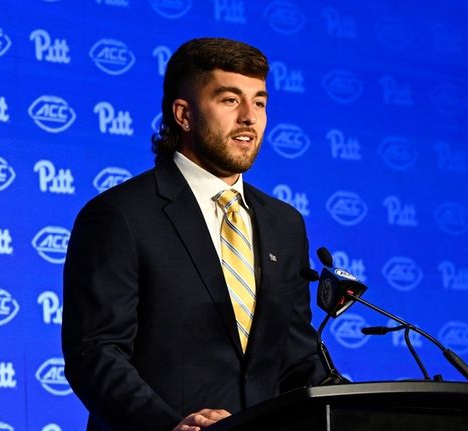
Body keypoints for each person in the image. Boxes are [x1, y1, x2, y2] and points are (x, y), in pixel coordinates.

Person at [62, 38, 325, 431]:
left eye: (260, 102)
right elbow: (95, 352)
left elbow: (297, 359)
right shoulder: (120, 215)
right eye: (230, 100)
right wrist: (169, 426)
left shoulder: (284, 224)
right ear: (183, 115)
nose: (250, 118)